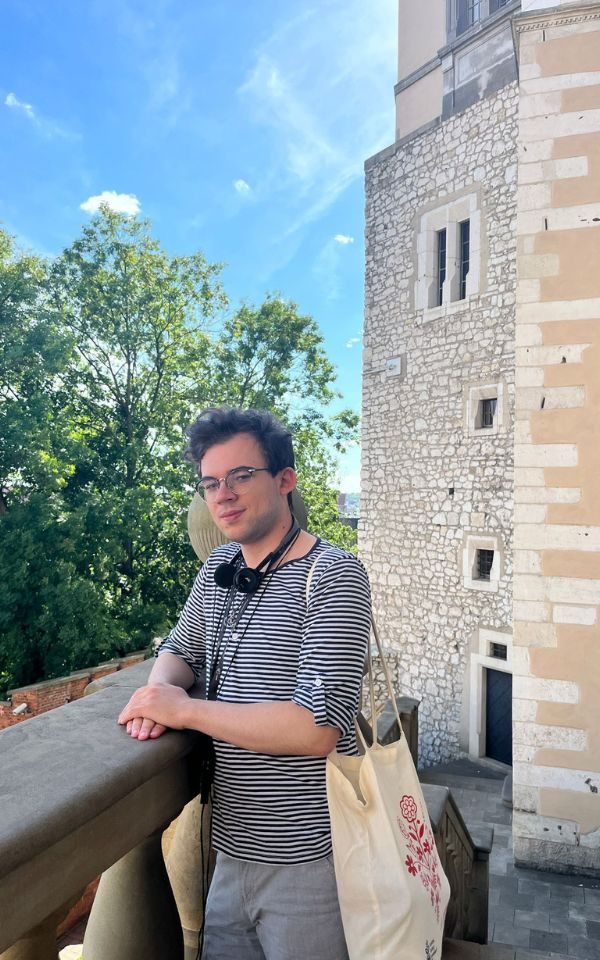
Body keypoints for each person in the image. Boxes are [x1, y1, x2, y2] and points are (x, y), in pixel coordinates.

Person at [118, 407, 371, 960]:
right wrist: (155, 696)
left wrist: (183, 711)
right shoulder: (220, 568)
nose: (223, 494)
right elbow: (180, 648)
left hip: (311, 864)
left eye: (241, 476)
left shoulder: (332, 574)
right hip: (230, 851)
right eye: (211, 482)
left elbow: (315, 727)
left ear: (285, 479)